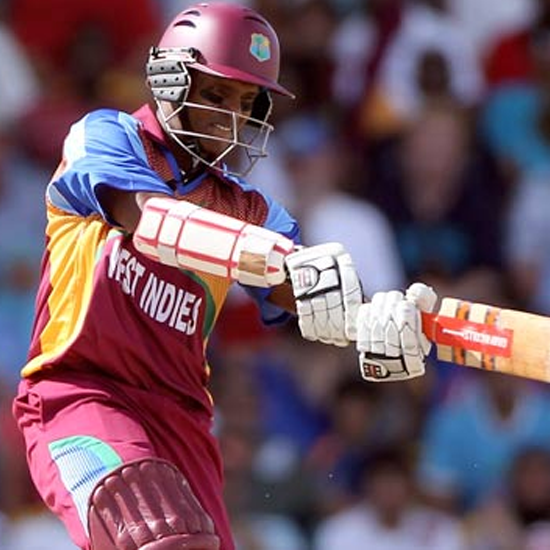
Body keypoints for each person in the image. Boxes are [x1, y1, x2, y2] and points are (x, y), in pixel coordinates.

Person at [11, 3, 437, 549]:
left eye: (245, 103)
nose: (230, 120)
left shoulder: (250, 208)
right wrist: (269, 255)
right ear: (169, 79)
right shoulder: (105, 137)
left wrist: (372, 317)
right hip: (81, 395)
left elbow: (306, 293)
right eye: (214, 96)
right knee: (160, 539)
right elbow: (152, 219)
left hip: (182, 420)